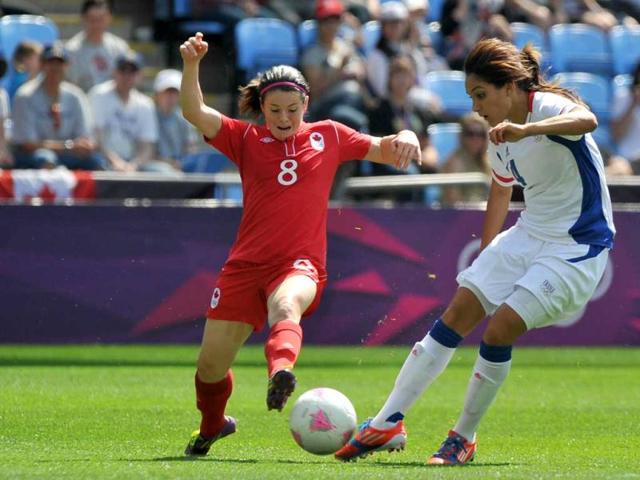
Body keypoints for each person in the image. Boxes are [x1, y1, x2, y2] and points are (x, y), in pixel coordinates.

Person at [335, 38, 615, 464]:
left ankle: (462, 438)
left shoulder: (548, 109)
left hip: (578, 246)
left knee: (499, 328)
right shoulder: (498, 138)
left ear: (509, 87)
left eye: (481, 95)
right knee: (456, 315)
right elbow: (500, 192)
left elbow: (588, 119)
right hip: (529, 234)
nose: (476, 108)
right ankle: (388, 422)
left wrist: (528, 129)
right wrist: (488, 257)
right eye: (470, 98)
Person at [178, 32, 422, 456]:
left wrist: (406, 135)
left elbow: (385, 148)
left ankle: (281, 372)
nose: (284, 117)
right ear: (263, 108)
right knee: (210, 367)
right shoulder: (245, 139)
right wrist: (192, 65)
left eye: (292, 109)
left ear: (306, 105)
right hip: (243, 267)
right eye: (274, 110)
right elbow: (194, 112)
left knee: (286, 306)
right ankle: (213, 424)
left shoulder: (329, 135)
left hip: (299, 264)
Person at [12, 43, 105, 170]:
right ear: (41, 65)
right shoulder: (25, 95)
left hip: (69, 154)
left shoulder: (75, 96)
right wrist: (68, 146)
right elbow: (27, 144)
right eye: (50, 63)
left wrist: (83, 146)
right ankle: (46, 191)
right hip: (33, 155)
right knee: (46, 158)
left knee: (96, 161)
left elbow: (84, 135)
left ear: (67, 66)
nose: (55, 68)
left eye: (60, 63)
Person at [88, 51, 162, 173]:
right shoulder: (99, 95)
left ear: (139, 75)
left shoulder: (145, 104)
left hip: (135, 163)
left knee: (163, 172)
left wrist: (134, 165)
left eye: (132, 72)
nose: (127, 76)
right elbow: (96, 139)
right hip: (103, 159)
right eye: (123, 70)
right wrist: (116, 162)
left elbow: (147, 145)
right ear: (114, 72)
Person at [65, 0, 130, 92]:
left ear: (109, 18)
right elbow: (71, 87)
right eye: (92, 20)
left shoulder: (120, 48)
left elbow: (128, 79)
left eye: (101, 19)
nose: (96, 25)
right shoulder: (71, 50)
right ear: (83, 18)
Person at [440, 113, 491, 205]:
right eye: (470, 134)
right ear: (462, 136)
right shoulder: (453, 163)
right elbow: (454, 203)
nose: (476, 139)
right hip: (464, 215)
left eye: (481, 134)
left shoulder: (491, 161)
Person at [153, 68, 197, 169]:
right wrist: (170, 164)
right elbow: (146, 151)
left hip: (179, 167)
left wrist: (184, 163)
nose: (171, 97)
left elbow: (190, 148)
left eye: (174, 92)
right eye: (167, 92)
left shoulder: (184, 118)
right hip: (153, 169)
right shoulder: (148, 115)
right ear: (157, 94)